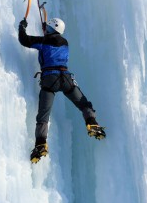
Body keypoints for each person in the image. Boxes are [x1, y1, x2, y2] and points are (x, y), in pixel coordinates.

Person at [18, 17, 105, 163]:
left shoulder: (44, 41)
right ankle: (92, 123)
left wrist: (22, 26)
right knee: (83, 103)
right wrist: (47, 29)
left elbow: (25, 40)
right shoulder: (65, 43)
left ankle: (40, 144)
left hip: (49, 80)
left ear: (51, 29)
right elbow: (52, 38)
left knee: (43, 116)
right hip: (66, 78)